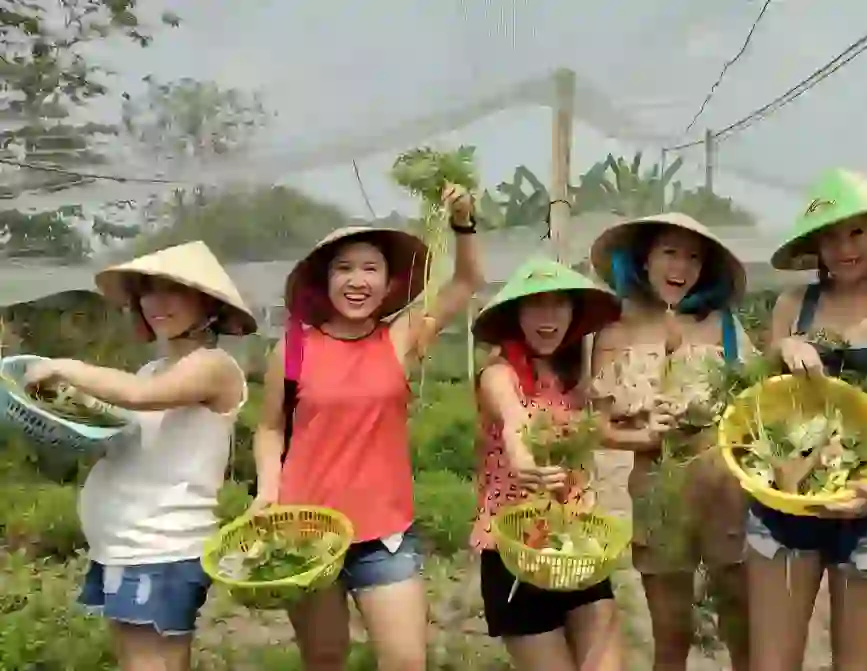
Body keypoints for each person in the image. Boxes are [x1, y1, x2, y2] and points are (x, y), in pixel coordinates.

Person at [251, 184, 483, 671]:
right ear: (325, 281)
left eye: (370, 268)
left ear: (387, 283)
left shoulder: (400, 338)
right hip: (307, 529)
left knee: (405, 661)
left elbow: (464, 283)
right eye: (344, 268)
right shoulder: (293, 349)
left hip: (384, 534)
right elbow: (270, 428)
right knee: (326, 658)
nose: (357, 280)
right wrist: (267, 491)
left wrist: (462, 222)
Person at [24, 241, 255, 671]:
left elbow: (142, 398)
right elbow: (130, 434)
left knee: (151, 663)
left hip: (162, 545)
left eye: (173, 290)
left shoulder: (213, 366)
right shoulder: (154, 369)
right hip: (127, 544)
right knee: (137, 660)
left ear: (207, 303)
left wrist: (64, 366)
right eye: (148, 291)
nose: (156, 303)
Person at [747, 169, 867, 671]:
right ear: (815, 248)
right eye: (830, 237)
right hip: (785, 498)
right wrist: (783, 346)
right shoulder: (793, 306)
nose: (845, 248)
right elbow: (763, 398)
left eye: (857, 232)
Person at [588, 212, 751, 671]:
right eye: (669, 252)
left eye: (694, 257)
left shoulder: (723, 327)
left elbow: (757, 402)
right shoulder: (614, 333)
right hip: (657, 492)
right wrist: (643, 435)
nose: (681, 266)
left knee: (741, 622)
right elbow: (597, 425)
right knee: (672, 631)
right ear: (643, 260)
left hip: (725, 490)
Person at [469, 257, 626, 671]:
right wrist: (524, 459)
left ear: (574, 315)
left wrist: (654, 433)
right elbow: (514, 418)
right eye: (535, 304)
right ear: (515, 315)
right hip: (515, 549)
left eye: (559, 305)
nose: (548, 316)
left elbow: (601, 432)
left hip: (575, 543)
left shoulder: (571, 381)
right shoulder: (498, 373)